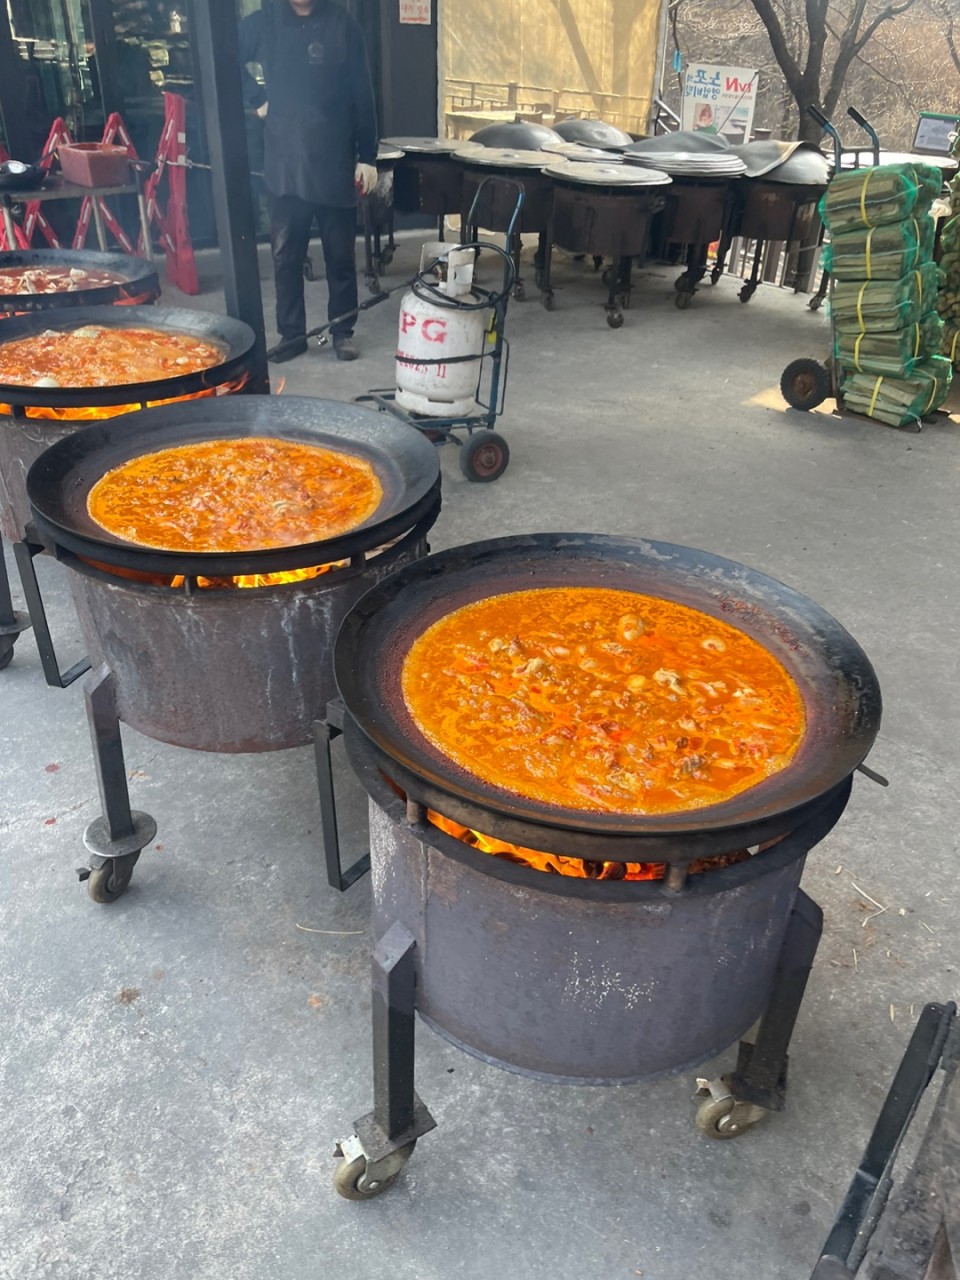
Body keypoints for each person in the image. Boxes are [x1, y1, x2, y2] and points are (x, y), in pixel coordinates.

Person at [239, 0, 379, 363]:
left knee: (340, 256)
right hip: (285, 163)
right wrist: (257, 98)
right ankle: (292, 335)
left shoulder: (343, 26)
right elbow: (225, 58)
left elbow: (363, 92)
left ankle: (342, 331)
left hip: (335, 159)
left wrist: (368, 156)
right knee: (285, 257)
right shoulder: (264, 23)